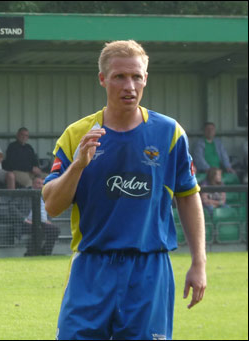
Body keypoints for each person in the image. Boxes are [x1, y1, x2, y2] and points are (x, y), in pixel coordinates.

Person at [42, 40, 207, 340]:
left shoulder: (169, 133)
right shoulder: (77, 134)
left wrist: (199, 262)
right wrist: (78, 165)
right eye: (119, 76)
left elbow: (188, 196)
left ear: (146, 78)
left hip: (149, 269)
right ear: (103, 79)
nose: (129, 85)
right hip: (91, 267)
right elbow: (52, 205)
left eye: (136, 76)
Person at [24, 176, 59, 256]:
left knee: (55, 230)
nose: (40, 186)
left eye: (42, 184)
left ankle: (46, 253)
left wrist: (47, 220)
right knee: (38, 230)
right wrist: (24, 219)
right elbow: (12, 207)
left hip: (42, 222)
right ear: (32, 184)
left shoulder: (46, 195)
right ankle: (30, 253)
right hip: (27, 222)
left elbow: (48, 210)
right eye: (38, 183)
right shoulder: (24, 193)